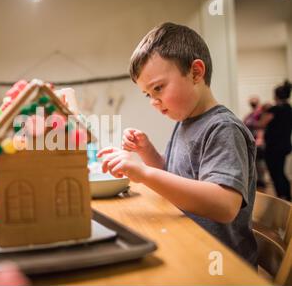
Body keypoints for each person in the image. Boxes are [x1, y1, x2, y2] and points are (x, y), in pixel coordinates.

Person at [98, 22, 258, 266]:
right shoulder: (185, 123)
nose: (154, 101)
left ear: (195, 73)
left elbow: (224, 205)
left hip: (221, 264)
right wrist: (147, 152)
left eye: (158, 88)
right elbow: (173, 176)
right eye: (148, 95)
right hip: (190, 246)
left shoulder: (223, 128)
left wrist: (144, 173)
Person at [260, 81, 292, 201]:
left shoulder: (275, 109)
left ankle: (281, 198)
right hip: (284, 146)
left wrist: (264, 110)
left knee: (275, 173)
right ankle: (287, 197)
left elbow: (262, 123)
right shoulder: (289, 108)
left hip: (273, 147)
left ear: (276, 95)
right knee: (281, 172)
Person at [243, 96, 266, 190]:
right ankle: (258, 181)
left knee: (260, 163)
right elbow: (244, 122)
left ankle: (261, 181)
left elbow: (262, 127)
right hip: (252, 141)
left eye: (254, 101)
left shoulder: (260, 113)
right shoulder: (251, 114)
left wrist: (260, 138)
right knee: (255, 162)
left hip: (258, 141)